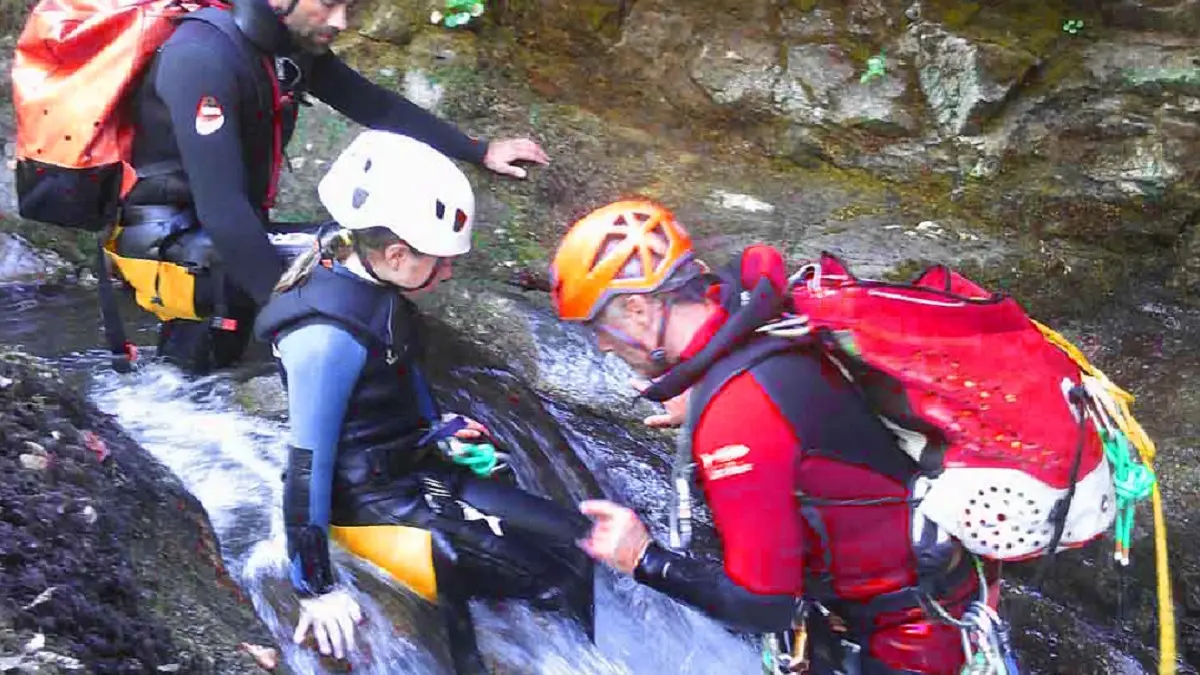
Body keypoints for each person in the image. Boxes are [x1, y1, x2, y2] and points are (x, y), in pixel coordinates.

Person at [548, 200, 1002, 675]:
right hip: (941, 587)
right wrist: (703, 395)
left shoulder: (737, 418)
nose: (601, 344)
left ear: (638, 309)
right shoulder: (759, 318)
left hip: (908, 641)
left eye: (599, 327)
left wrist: (643, 558)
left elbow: (763, 606)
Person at [252, 131, 594, 672]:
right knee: (558, 577)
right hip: (369, 505)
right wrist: (314, 586)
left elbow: (400, 373)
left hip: (414, 471)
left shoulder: (368, 278)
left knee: (577, 543)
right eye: (442, 261)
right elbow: (305, 466)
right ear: (395, 253)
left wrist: (439, 428)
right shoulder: (324, 337)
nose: (450, 272)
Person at [119, 0, 549, 374]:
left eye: (348, 7)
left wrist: (478, 150)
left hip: (226, 234)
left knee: (210, 366)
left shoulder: (287, 48)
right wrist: (290, 313)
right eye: (328, 4)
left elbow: (377, 106)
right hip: (174, 243)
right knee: (357, 258)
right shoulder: (201, 57)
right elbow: (222, 208)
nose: (341, 21)